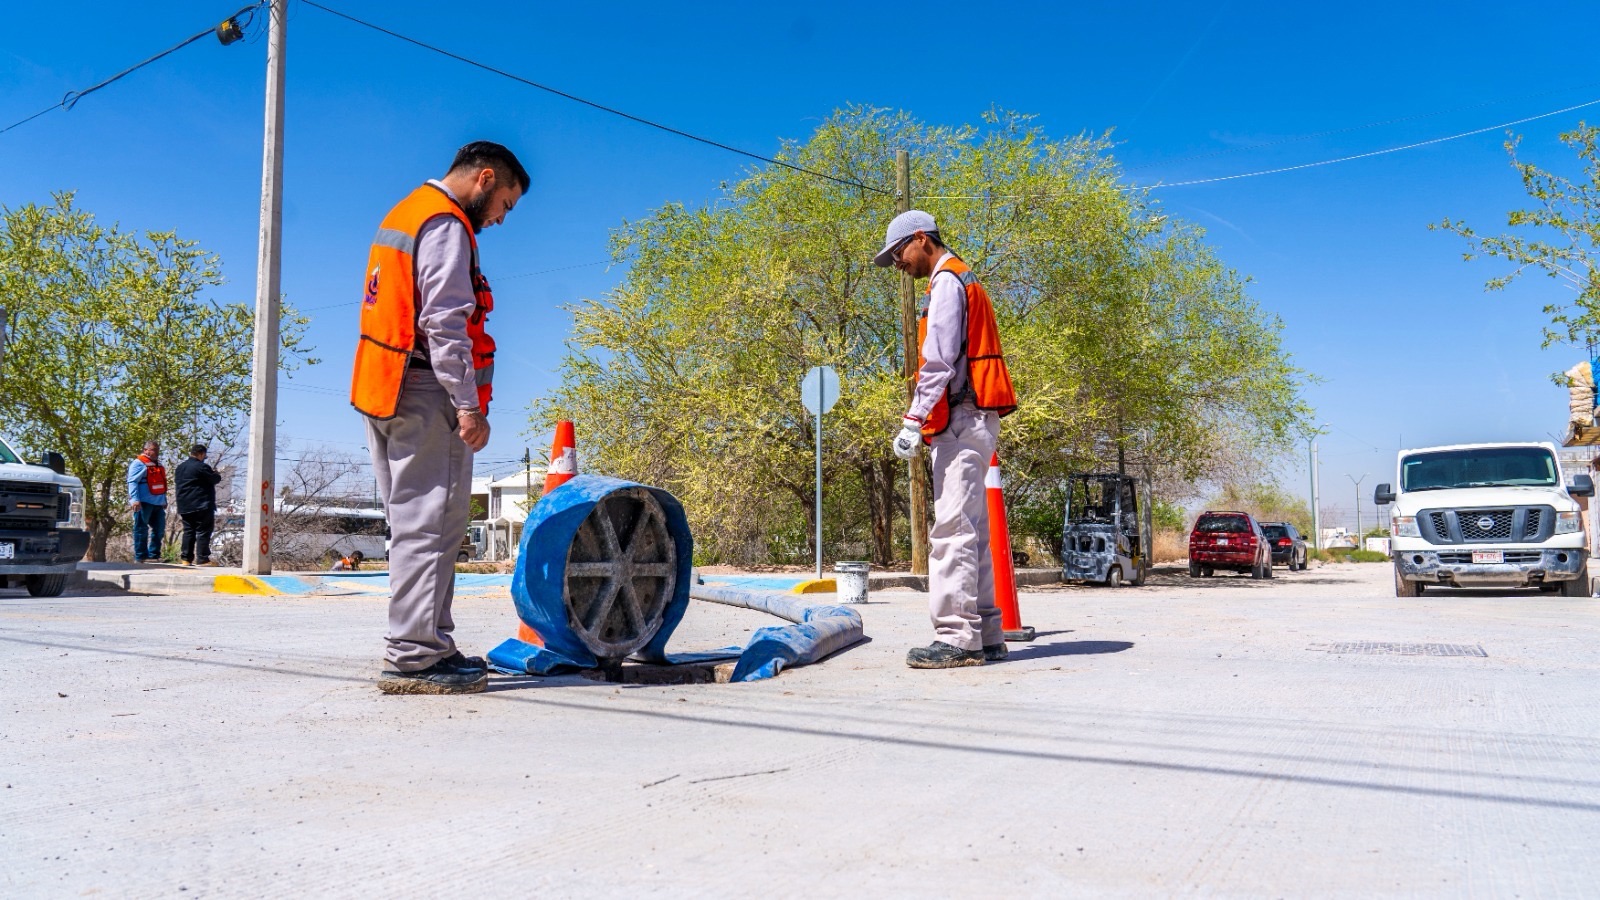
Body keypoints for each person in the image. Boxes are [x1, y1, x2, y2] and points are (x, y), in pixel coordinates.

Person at [351, 141, 527, 695]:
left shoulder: (404, 212)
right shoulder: (447, 224)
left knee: (413, 527)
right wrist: (467, 405)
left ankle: (428, 644)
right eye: (506, 204)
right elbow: (445, 323)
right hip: (426, 390)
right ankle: (414, 656)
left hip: (383, 387)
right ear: (485, 179)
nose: (500, 218)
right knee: (432, 528)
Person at [874, 210, 1018, 668]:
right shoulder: (961, 276)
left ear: (921, 239)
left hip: (960, 416)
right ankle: (988, 633)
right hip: (973, 416)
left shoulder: (946, 284)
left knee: (952, 531)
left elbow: (937, 361)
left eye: (899, 253)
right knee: (970, 533)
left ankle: (957, 638)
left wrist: (913, 420)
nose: (898, 263)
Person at [174, 444, 222, 567]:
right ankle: (203, 559)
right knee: (203, 531)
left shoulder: (180, 467)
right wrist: (216, 473)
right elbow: (214, 479)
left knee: (188, 531)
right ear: (201, 454)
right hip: (201, 504)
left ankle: (186, 559)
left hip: (184, 505)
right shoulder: (202, 467)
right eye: (204, 455)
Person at [127, 440, 168, 563]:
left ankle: (154, 555)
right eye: (153, 449)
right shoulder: (138, 463)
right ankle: (141, 556)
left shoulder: (158, 465)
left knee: (159, 529)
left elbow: (161, 483)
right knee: (141, 529)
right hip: (144, 503)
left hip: (158, 503)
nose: (156, 452)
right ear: (146, 450)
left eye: (157, 450)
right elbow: (132, 481)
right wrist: (134, 499)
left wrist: (164, 499)